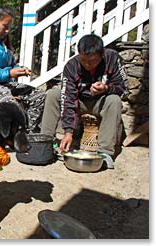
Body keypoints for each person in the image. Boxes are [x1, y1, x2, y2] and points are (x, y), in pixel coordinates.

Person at [40, 34, 128, 168]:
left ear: (102, 54)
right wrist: (68, 132)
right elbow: (68, 98)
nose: (87, 64)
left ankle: (105, 153)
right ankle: (44, 143)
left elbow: (123, 88)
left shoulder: (112, 58)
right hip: (79, 103)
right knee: (53, 94)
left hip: (101, 103)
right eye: (83, 60)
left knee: (114, 100)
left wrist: (106, 88)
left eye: (92, 61)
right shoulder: (71, 66)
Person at [0, 6, 46, 133]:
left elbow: (10, 66)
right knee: (10, 105)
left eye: (9, 27)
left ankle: (26, 131)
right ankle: (10, 135)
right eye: (5, 26)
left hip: (6, 84)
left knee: (40, 97)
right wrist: (9, 73)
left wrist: (19, 69)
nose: (7, 30)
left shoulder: (3, 43)